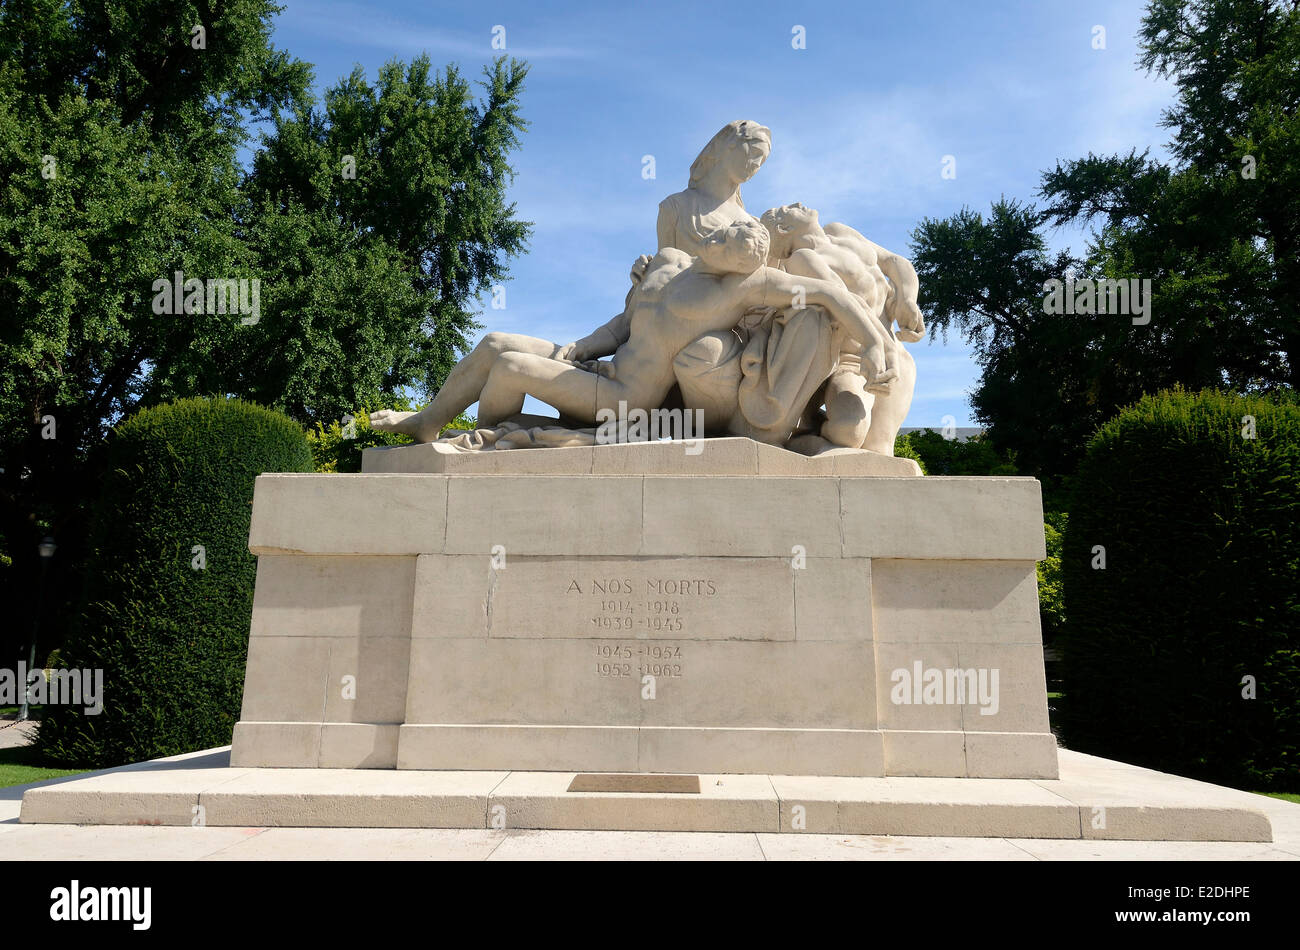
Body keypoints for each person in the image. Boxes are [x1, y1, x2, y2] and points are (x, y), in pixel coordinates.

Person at [759, 203, 925, 454]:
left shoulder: (839, 231)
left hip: (895, 355)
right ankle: (804, 437)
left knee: (881, 450)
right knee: (849, 432)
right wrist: (884, 348)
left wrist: (907, 300)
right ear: (784, 227)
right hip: (851, 359)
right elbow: (848, 303)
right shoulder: (802, 259)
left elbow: (894, 261)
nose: (795, 203)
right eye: (786, 210)